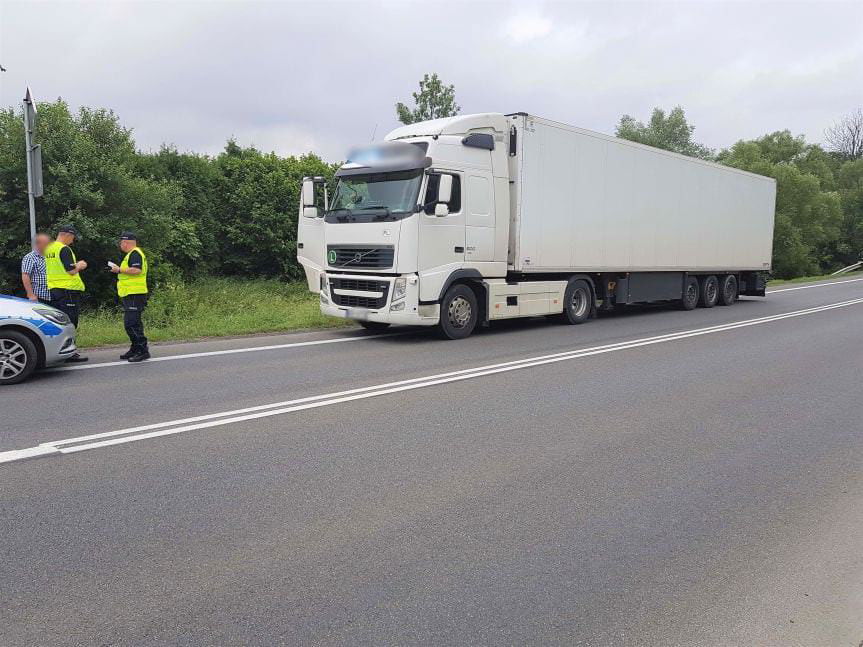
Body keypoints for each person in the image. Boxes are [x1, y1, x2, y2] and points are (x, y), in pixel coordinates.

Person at [44, 225, 88, 363]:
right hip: (68, 290)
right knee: (70, 322)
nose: (73, 241)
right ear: (67, 235)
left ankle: (60, 350)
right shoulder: (64, 249)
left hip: (55, 290)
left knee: (59, 322)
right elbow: (70, 270)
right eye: (73, 237)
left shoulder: (49, 249)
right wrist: (80, 265)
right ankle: (70, 352)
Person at [110, 231, 150, 362]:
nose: (120, 245)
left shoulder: (135, 253)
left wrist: (119, 270)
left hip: (135, 293)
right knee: (133, 323)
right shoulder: (131, 254)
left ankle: (142, 350)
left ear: (125, 242)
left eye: (121, 242)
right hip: (130, 293)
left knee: (131, 323)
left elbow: (136, 270)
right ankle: (135, 348)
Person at [20, 233, 52, 304]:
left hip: (55, 297)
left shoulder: (52, 256)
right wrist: (31, 295)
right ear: (38, 244)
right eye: (46, 243)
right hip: (40, 298)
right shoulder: (30, 257)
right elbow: (25, 275)